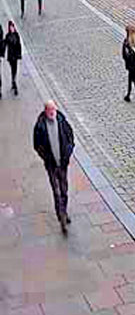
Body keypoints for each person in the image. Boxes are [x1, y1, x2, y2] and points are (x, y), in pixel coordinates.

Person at [33, 101, 76, 235]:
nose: (52, 112)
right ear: (45, 111)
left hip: (62, 163)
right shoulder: (40, 125)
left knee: (64, 190)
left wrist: (68, 152)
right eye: (49, 110)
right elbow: (37, 145)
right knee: (56, 192)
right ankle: (61, 218)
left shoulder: (62, 121)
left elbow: (70, 137)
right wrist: (45, 157)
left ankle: (64, 211)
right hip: (51, 164)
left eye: (53, 109)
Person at [4, 21, 21, 96]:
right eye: (10, 27)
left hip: (15, 55)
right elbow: (4, 44)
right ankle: (13, 81)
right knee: (12, 68)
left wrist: (19, 54)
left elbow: (19, 45)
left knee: (15, 69)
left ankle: (13, 80)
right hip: (11, 56)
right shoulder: (7, 36)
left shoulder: (17, 35)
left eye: (12, 27)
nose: (12, 28)